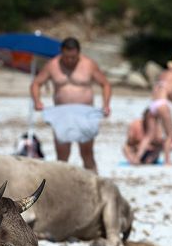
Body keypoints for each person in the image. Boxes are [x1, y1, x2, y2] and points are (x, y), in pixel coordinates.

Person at [30, 37, 111, 172]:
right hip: (62, 113)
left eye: (73, 57)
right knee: (62, 155)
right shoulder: (52, 65)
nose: (70, 60)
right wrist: (37, 101)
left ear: (78, 53)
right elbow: (36, 83)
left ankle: (94, 186)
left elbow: (105, 84)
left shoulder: (89, 64)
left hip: (85, 113)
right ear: (61, 52)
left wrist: (106, 104)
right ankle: (62, 189)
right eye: (66, 57)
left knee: (87, 154)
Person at [133, 54, 172, 166]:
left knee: (149, 135)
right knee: (169, 135)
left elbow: (156, 89)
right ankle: (167, 161)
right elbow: (170, 91)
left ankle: (136, 158)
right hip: (162, 104)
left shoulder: (163, 74)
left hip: (152, 104)